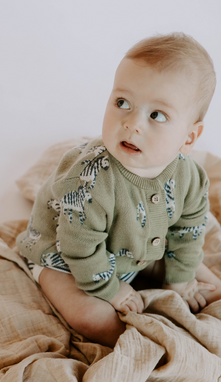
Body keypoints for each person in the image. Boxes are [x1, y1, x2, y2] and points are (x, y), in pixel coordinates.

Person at [16, 32, 221, 348]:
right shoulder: (91, 181)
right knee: (91, 317)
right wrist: (112, 291)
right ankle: (143, 349)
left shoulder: (190, 177)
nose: (132, 123)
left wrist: (180, 280)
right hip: (64, 257)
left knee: (206, 281)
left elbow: (188, 231)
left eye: (157, 115)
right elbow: (78, 249)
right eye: (122, 103)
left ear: (189, 139)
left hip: (136, 249)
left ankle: (180, 305)